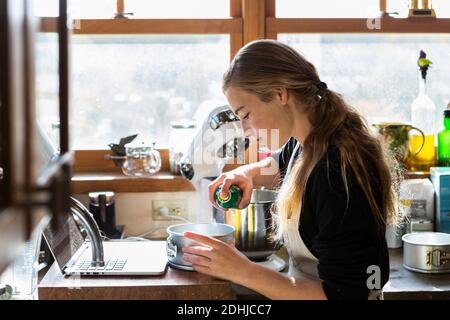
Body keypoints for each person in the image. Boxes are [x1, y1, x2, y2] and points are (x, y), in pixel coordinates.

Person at [182, 39, 398, 300]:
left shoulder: (339, 171)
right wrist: (246, 173)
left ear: (279, 94)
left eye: (245, 114)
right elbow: (279, 163)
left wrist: (242, 270)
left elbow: (343, 295)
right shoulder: (308, 140)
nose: (245, 130)